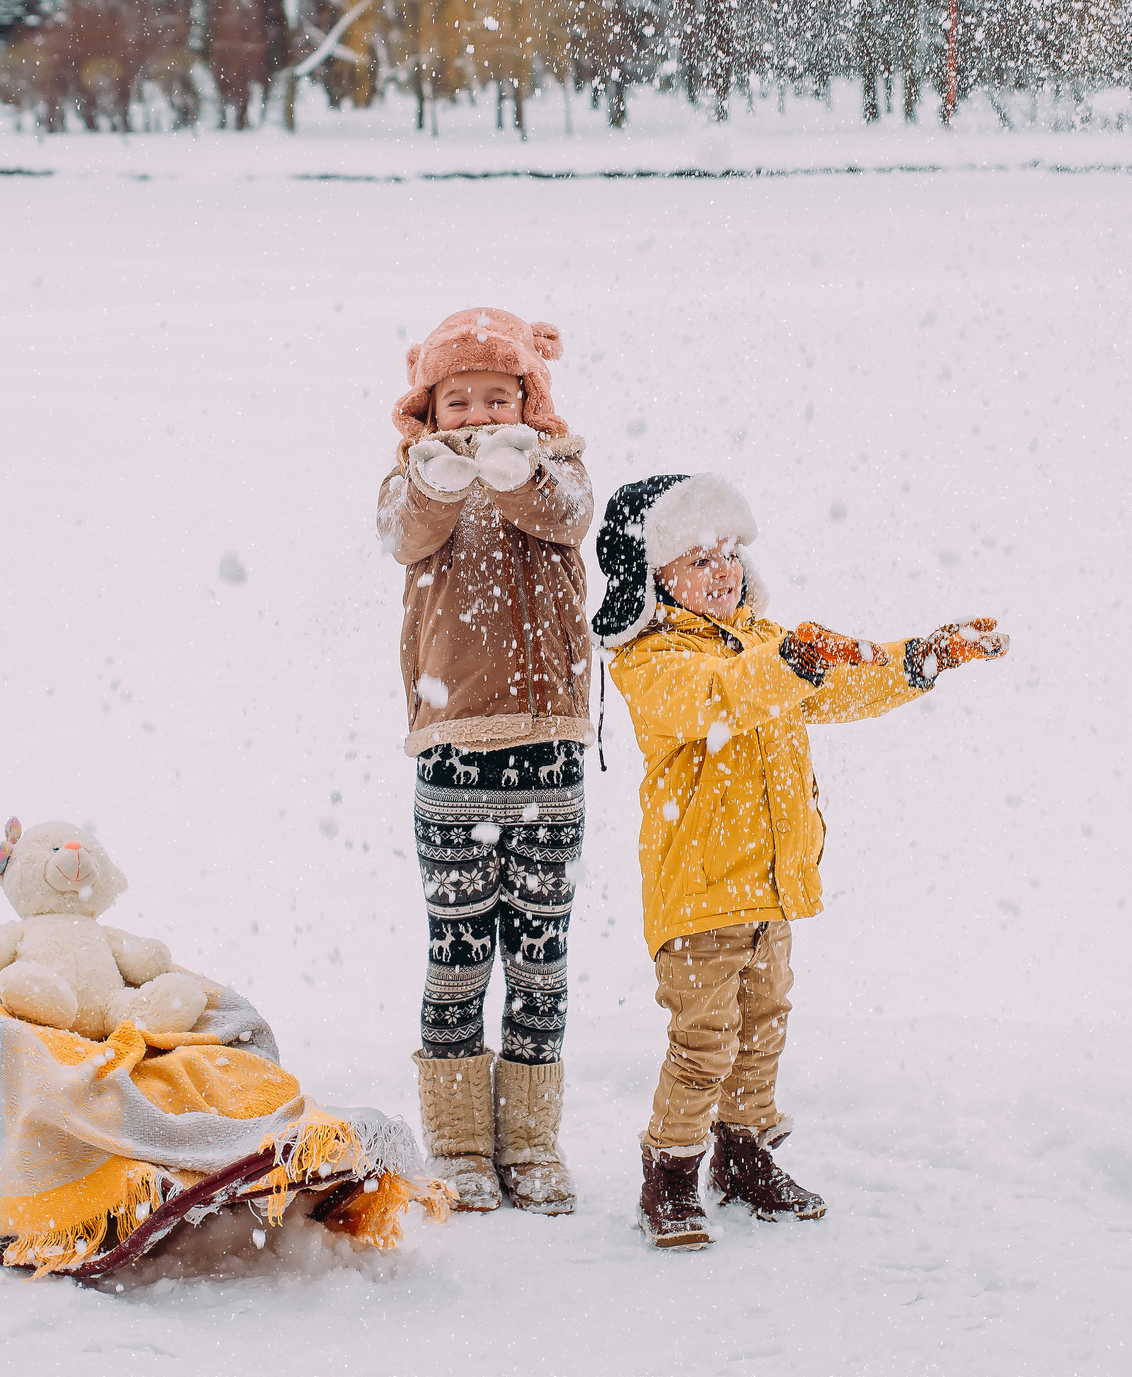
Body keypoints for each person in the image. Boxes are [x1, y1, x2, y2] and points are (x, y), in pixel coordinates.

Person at [592, 473, 1009, 1250]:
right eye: (698, 557)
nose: (723, 569)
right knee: (703, 1041)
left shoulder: (765, 643)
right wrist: (793, 660)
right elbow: (720, 696)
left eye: (730, 552)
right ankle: (670, 1178)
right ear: (653, 576)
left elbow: (842, 681)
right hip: (700, 896)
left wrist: (920, 658)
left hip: (772, 890)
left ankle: (746, 1159)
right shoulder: (653, 661)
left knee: (763, 1028)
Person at [376, 308, 594, 1214]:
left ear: (526, 397)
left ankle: (534, 1142)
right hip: (454, 749)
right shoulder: (411, 480)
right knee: (459, 951)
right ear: (429, 407)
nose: (473, 415)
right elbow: (405, 536)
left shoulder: (559, 467)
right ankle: (461, 1142)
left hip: (548, 747)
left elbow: (565, 517)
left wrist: (514, 467)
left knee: (540, 953)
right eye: (455, 400)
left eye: (493, 397)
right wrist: (440, 475)